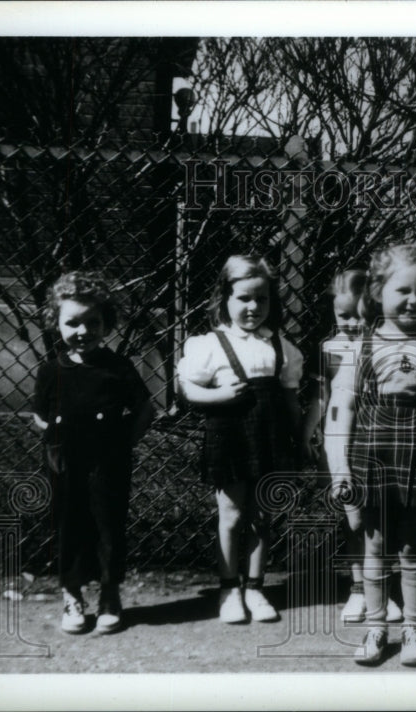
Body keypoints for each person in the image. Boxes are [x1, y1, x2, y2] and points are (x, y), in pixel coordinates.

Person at [325, 243, 416, 667]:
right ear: (378, 291)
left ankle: (414, 628)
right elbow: (341, 409)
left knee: (412, 547)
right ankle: (375, 628)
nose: (414, 300)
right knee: (375, 544)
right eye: (403, 290)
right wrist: (340, 469)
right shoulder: (361, 347)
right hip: (373, 458)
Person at [177, 254, 305, 625]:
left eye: (261, 299)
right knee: (232, 515)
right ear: (225, 299)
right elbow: (187, 389)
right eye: (243, 298)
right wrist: (218, 397)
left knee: (263, 515)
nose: (253, 307)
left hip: (270, 438)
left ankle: (255, 586)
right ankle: (229, 587)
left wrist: (299, 440)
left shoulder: (279, 346)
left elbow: (290, 398)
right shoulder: (209, 344)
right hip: (230, 437)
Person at [33, 271, 154, 635]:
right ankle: (72, 595)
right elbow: (39, 416)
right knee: (68, 527)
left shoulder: (117, 368)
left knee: (108, 528)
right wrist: (56, 439)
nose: (83, 331)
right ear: (56, 323)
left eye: (92, 322)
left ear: (107, 324)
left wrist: (124, 443)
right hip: (65, 464)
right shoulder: (51, 370)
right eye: (72, 322)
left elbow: (146, 409)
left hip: (108, 463)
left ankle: (109, 595)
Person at [302, 268, 403, 625]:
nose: (350, 324)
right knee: (353, 518)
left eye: (359, 317)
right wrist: (308, 433)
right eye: (342, 315)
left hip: (376, 440)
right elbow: (320, 398)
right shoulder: (329, 349)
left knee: (381, 518)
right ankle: (358, 588)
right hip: (339, 441)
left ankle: (385, 589)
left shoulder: (385, 348)